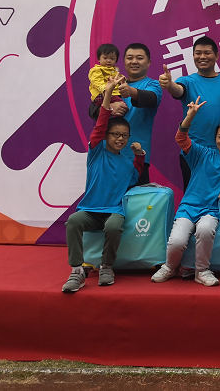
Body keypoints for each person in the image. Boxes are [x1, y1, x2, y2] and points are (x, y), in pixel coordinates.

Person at [150, 98, 220, 287]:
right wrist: (190, 116)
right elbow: (181, 139)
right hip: (188, 208)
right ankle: (170, 267)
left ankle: (202, 271)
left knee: (205, 230)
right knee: (177, 241)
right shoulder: (202, 153)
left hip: (212, 211)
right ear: (215, 138)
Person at [62, 75, 144, 293]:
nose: (120, 139)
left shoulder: (126, 162)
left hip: (113, 212)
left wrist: (139, 156)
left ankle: (107, 266)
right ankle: (77, 270)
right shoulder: (96, 152)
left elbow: (134, 177)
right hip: (90, 210)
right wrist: (108, 92)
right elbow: (100, 123)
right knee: (73, 221)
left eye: (124, 135)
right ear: (106, 136)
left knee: (113, 226)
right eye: (115, 134)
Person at [158, 36, 220, 190]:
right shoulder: (187, 81)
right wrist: (169, 84)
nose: (202, 57)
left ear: (216, 56)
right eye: (198, 53)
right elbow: (178, 90)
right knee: (194, 198)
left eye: (207, 53)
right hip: (194, 153)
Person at [88, 43, 161, 185]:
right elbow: (92, 109)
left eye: (139, 58)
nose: (134, 61)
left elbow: (151, 99)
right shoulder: (112, 82)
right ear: (123, 61)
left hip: (136, 156)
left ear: (149, 62)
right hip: (107, 155)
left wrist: (130, 91)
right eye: (129, 58)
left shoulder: (152, 85)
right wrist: (109, 107)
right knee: (107, 197)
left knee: (137, 198)